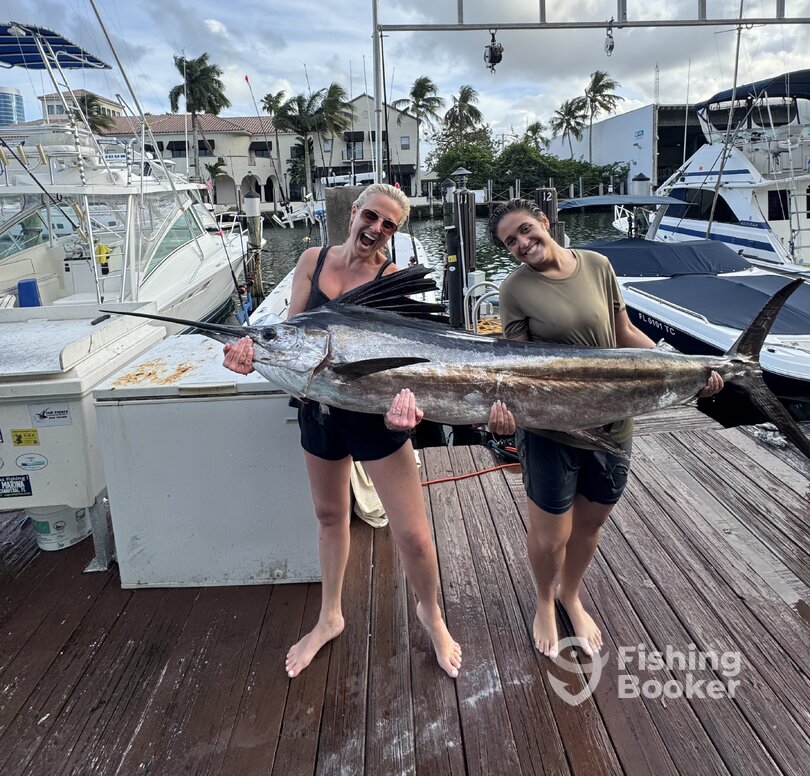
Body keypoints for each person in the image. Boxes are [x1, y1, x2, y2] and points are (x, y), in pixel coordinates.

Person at [224, 183, 481, 679]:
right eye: (372, 216)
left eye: (389, 225)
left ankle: (431, 614)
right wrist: (253, 357)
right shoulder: (312, 260)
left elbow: (412, 364)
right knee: (328, 517)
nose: (377, 229)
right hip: (319, 411)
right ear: (354, 212)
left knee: (414, 536)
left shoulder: (391, 278)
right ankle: (330, 616)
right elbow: (293, 336)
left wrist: (411, 411)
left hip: (376, 417)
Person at [487, 199, 723, 657]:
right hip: (551, 431)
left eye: (525, 230)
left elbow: (624, 334)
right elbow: (516, 366)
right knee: (550, 537)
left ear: (544, 220)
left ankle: (570, 594)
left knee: (591, 523)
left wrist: (682, 367)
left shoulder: (597, 265)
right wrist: (504, 416)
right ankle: (543, 599)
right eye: (510, 242)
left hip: (613, 422)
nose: (522, 244)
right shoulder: (514, 289)